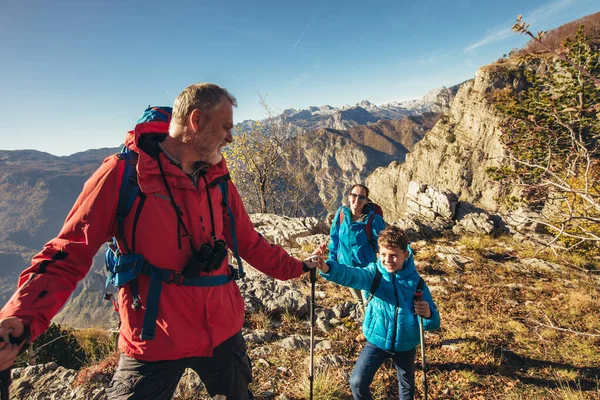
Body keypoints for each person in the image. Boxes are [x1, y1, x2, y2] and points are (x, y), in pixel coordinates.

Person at [0, 83, 319, 400]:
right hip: (153, 339)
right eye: (225, 127)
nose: (231, 137)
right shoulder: (123, 173)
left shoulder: (217, 177)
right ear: (196, 122)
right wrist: (22, 318)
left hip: (222, 331)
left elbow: (247, 240)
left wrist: (296, 267)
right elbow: (68, 253)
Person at [311, 225, 440, 400]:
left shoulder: (416, 283)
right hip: (377, 339)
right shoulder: (375, 274)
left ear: (406, 254)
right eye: (384, 254)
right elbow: (351, 275)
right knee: (357, 382)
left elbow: (434, 322)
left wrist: (428, 315)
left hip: (406, 344)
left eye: (394, 255)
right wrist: (327, 268)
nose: (388, 260)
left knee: (407, 388)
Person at [317, 184, 385, 313]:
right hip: (346, 268)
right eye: (354, 195)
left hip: (366, 270)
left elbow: (383, 246)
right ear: (349, 196)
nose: (357, 200)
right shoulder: (341, 214)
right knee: (360, 301)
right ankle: (367, 329)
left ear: (366, 200)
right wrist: (332, 263)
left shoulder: (373, 220)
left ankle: (370, 331)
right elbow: (335, 239)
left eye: (361, 197)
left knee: (369, 303)